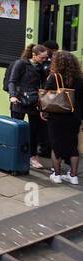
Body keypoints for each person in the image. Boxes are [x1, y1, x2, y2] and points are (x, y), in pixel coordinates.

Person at [41, 48, 81, 185]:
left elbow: (46, 95)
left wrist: (43, 110)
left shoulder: (55, 76)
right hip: (74, 117)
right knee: (73, 146)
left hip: (56, 116)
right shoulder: (80, 78)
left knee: (56, 145)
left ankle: (57, 175)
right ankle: (74, 176)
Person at [8, 43, 49, 169]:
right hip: (19, 101)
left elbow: (43, 85)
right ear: (34, 55)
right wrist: (12, 96)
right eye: (42, 57)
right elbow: (12, 81)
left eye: (45, 58)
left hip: (34, 102)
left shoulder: (41, 67)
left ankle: (32, 156)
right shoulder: (21, 63)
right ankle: (14, 154)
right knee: (16, 129)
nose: (44, 60)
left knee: (34, 131)